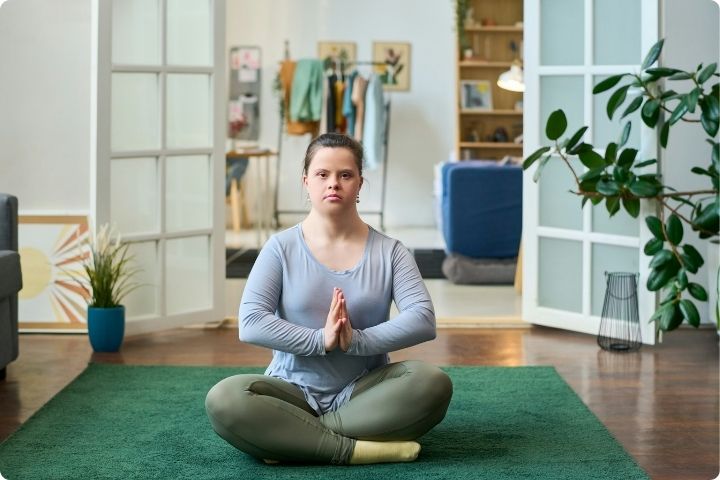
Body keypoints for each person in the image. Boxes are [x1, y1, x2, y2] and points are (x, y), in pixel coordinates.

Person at [205, 133, 453, 465]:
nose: (333, 184)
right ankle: (352, 449)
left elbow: (423, 318)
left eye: (345, 175)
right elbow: (250, 323)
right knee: (225, 398)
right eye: (323, 174)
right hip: (291, 393)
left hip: (365, 393)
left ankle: (293, 439)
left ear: (360, 183)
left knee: (432, 383)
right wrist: (320, 339)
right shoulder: (280, 248)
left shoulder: (390, 251)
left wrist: (357, 340)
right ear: (306, 182)